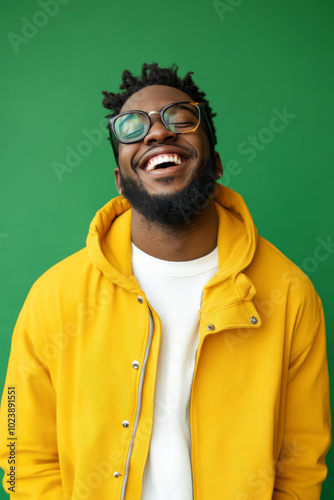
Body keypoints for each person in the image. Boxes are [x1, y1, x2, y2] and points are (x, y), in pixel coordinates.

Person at [0, 62, 331, 500]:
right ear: (120, 181)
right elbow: (17, 445)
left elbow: (301, 461)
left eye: (179, 117)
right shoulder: (55, 296)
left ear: (215, 162)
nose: (157, 134)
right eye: (132, 129)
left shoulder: (288, 293)